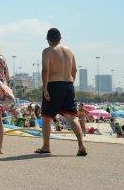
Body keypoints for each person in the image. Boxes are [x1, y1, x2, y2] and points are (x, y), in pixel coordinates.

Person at [35, 28, 86, 156]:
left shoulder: (48, 51)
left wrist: (45, 87)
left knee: (46, 116)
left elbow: (45, 70)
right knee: (71, 117)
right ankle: (81, 145)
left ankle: (46, 146)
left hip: (53, 85)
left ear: (47, 39)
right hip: (68, 85)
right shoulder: (69, 51)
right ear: (60, 38)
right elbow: (74, 69)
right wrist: (70, 83)